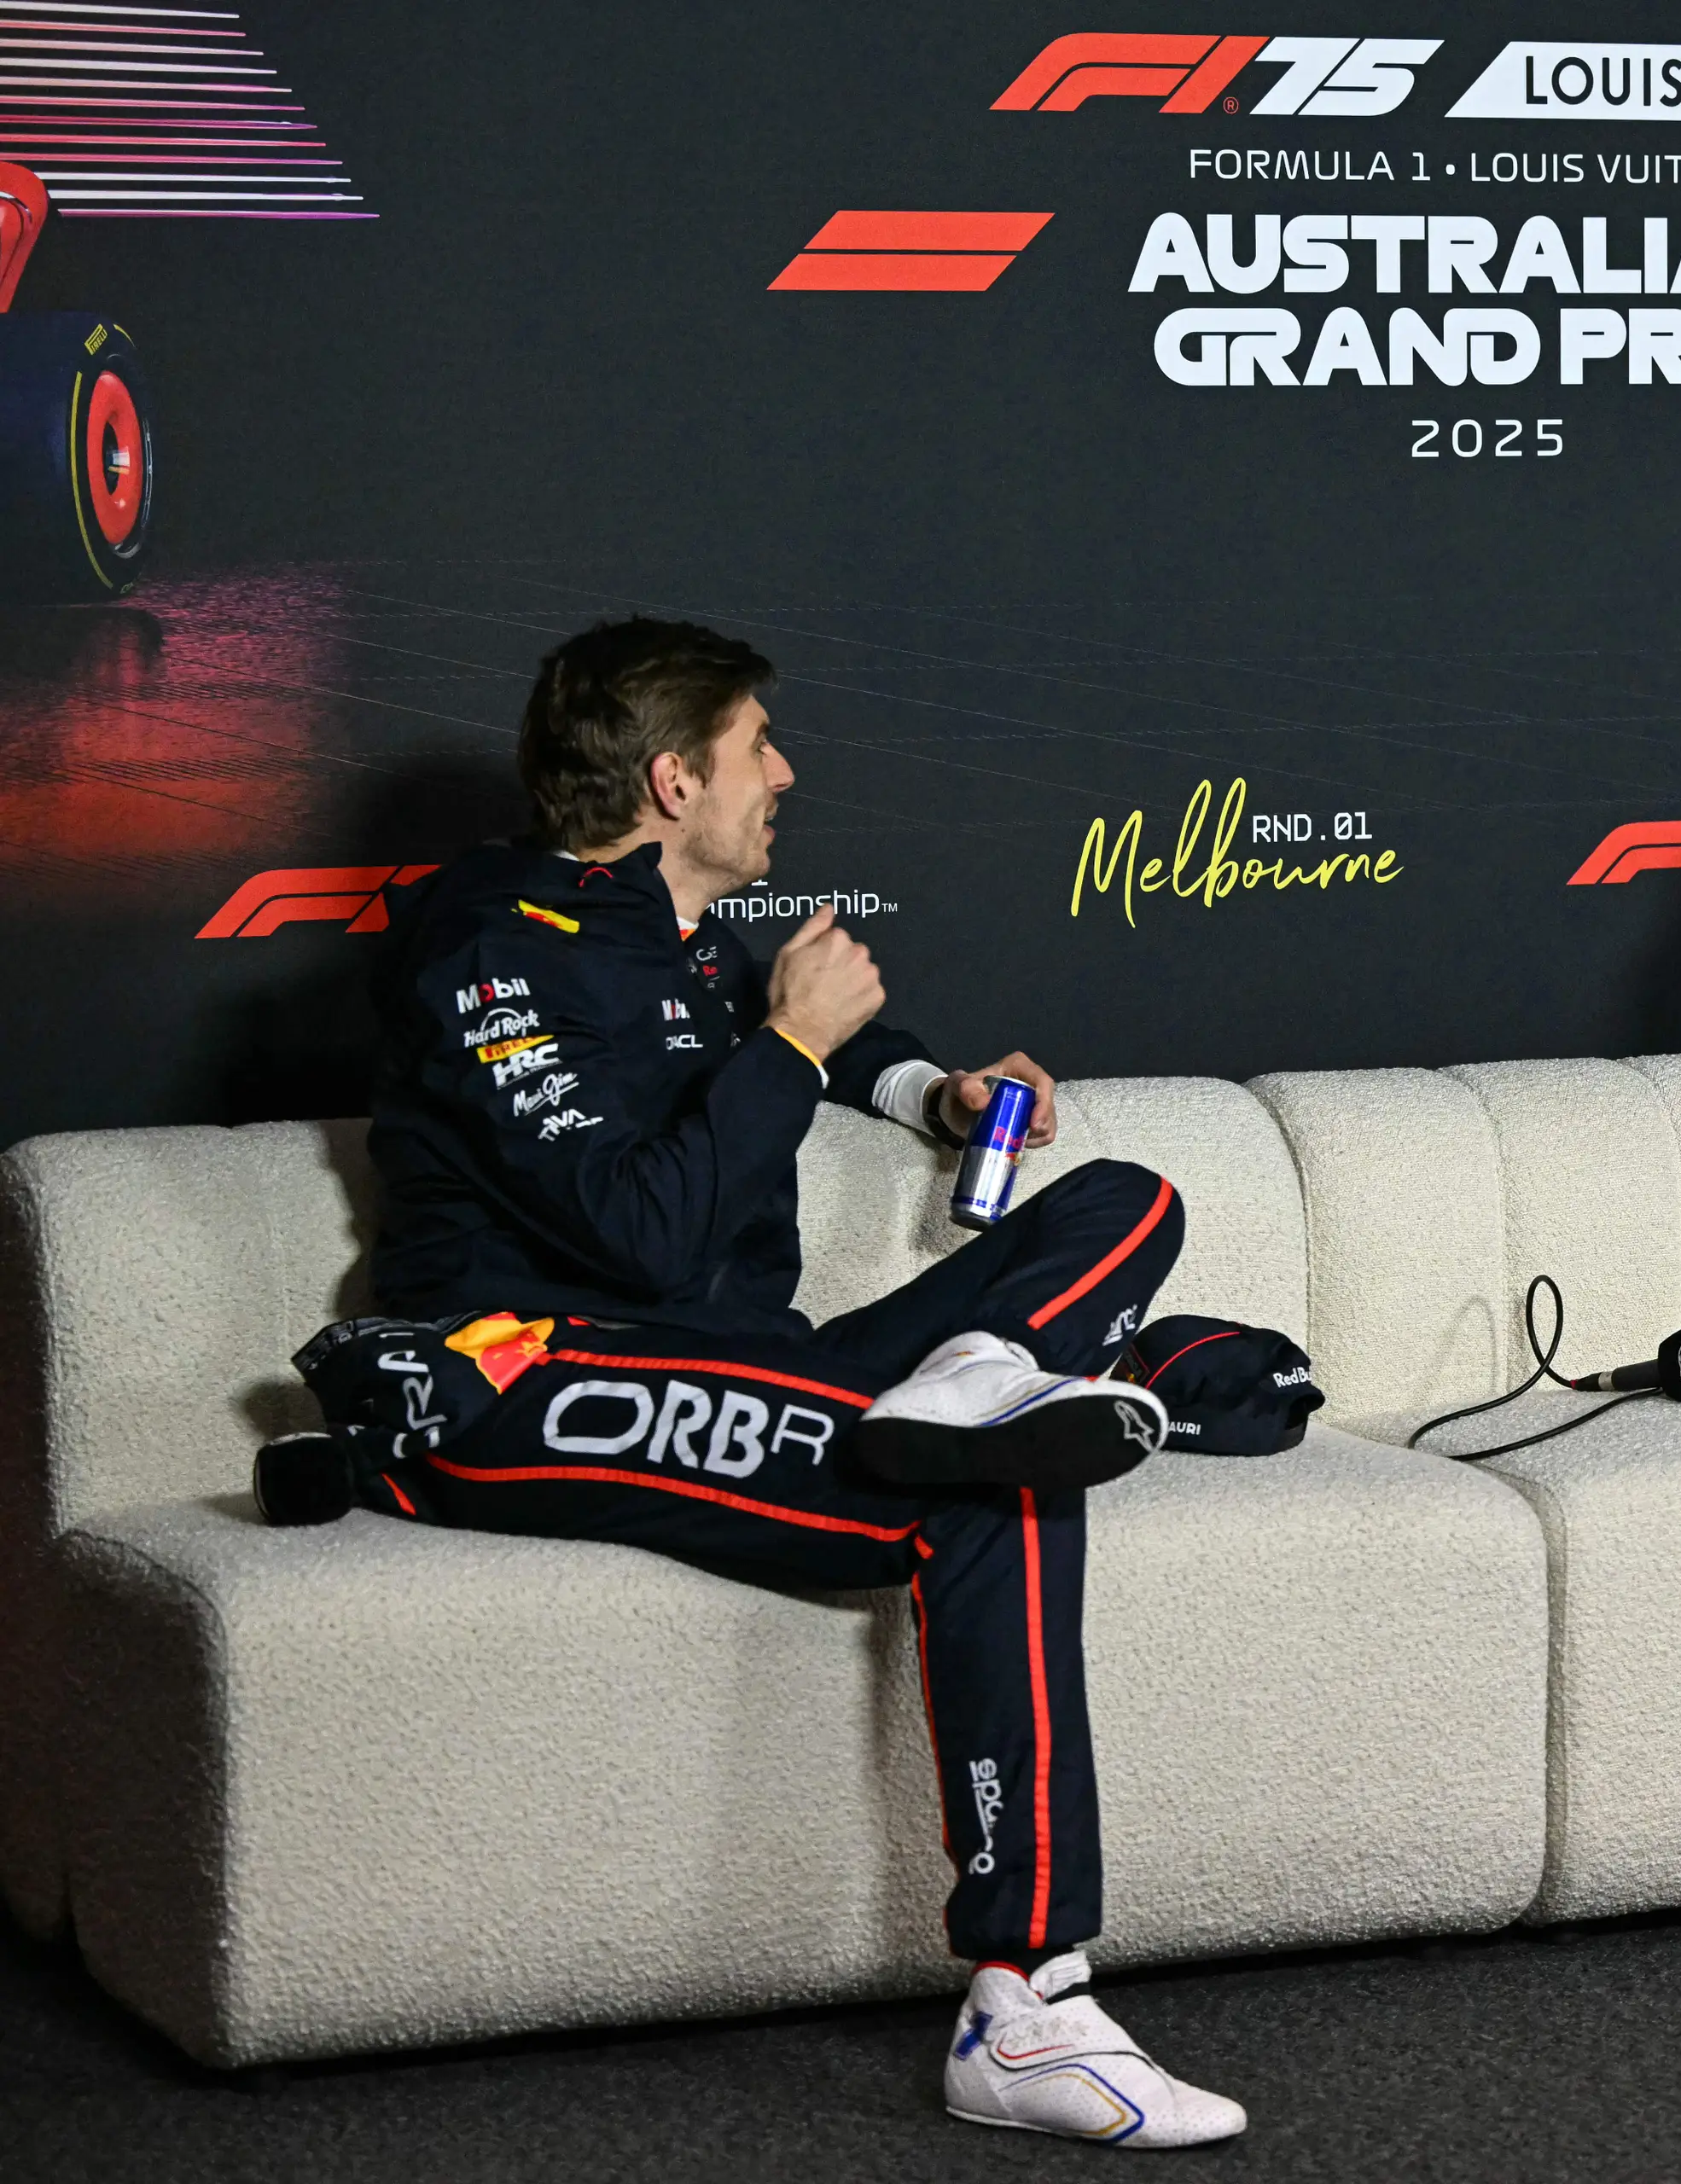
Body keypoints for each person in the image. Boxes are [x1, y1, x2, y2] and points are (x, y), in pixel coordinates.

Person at [350, 618, 1245, 2145]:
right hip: (523, 1381)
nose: (787, 769)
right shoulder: (489, 942)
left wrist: (932, 1090)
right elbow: (640, 1239)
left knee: (1131, 1201)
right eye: (759, 744)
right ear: (673, 777)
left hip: (759, 1370)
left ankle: (986, 1370)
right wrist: (784, 1039)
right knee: (1002, 1492)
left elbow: (799, 1045)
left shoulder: (683, 936)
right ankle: (1026, 2007)